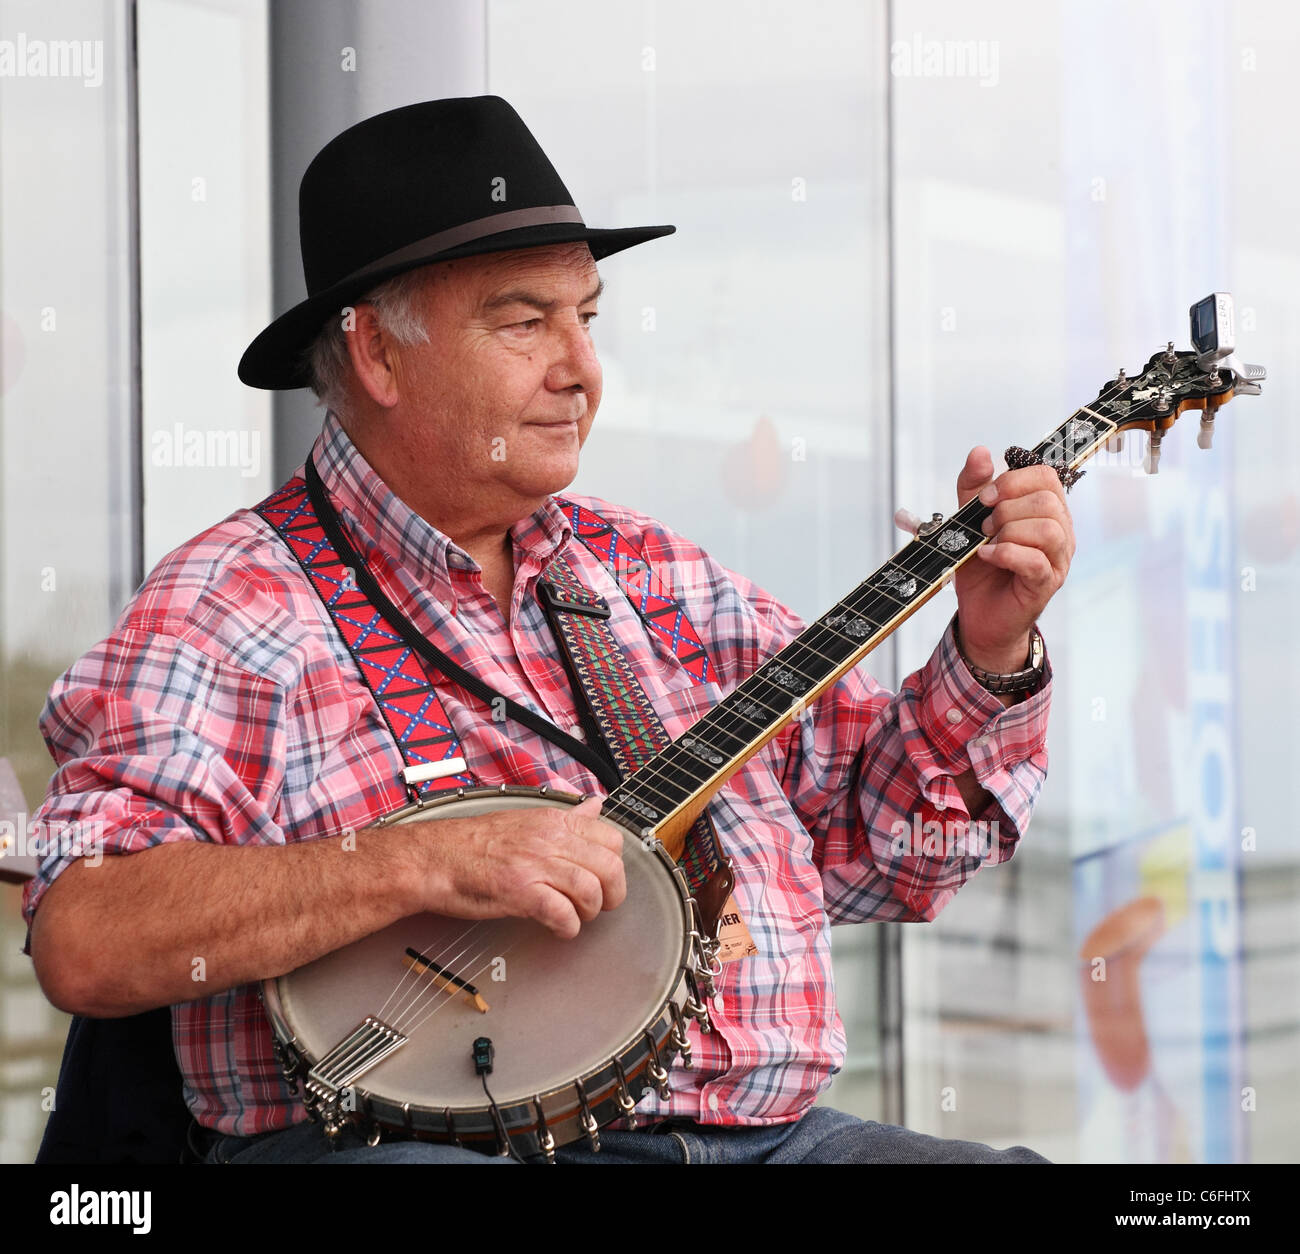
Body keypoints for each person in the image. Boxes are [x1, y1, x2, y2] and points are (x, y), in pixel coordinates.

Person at [23, 96, 1073, 1165]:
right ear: (379, 354)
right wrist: (415, 866)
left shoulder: (651, 573)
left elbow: (893, 852)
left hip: (773, 1141)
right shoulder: (230, 604)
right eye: (525, 322)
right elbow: (88, 932)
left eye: (588, 318)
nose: (580, 369)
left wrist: (986, 653)